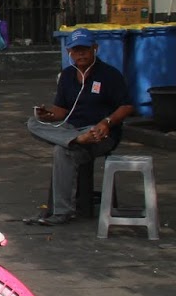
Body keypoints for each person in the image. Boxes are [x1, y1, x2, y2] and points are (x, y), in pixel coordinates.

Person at [24, 28, 134, 226]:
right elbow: (62, 110)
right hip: (73, 131)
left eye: (85, 49)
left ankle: (61, 212)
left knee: (60, 151)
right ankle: (74, 140)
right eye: (76, 50)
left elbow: (126, 106)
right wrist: (48, 115)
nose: (80, 54)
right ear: (69, 53)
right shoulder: (67, 76)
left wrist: (106, 123)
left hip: (98, 133)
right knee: (33, 123)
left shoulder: (109, 75)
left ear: (94, 49)